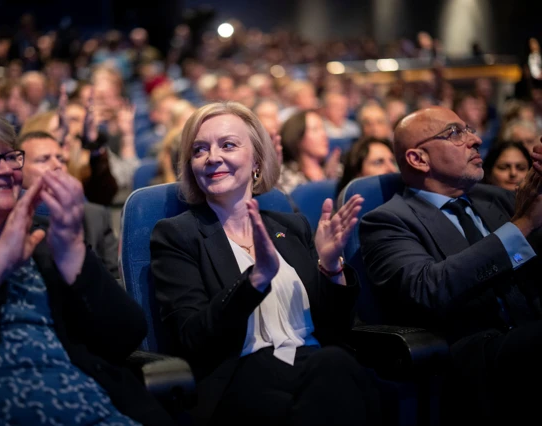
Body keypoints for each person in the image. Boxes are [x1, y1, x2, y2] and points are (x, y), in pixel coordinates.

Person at [0, 102, 173, 425]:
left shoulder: (46, 235)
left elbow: (126, 336)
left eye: (9, 156)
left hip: (93, 406)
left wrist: (72, 251)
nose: (6, 170)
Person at [150, 101, 380, 426]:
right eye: (199, 150)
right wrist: (255, 281)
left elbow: (336, 329)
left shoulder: (291, 226)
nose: (212, 157)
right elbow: (193, 338)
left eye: (227, 145)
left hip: (316, 365)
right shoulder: (177, 235)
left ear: (257, 159)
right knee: (338, 374)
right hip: (241, 378)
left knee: (336, 369)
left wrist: (330, 267)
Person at [359, 105, 542, 424]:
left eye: (470, 129)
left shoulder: (494, 198)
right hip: (473, 352)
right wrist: (522, 225)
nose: (475, 139)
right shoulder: (388, 221)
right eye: (456, 133)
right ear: (418, 159)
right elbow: (428, 288)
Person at [18, 130, 120, 279]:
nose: (57, 166)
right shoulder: (11, 220)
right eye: (43, 159)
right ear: (18, 169)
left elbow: (116, 278)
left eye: (61, 159)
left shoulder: (94, 215)